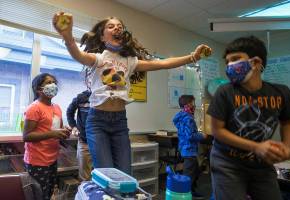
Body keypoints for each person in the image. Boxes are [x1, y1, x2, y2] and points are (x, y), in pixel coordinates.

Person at [52, 12, 212, 174]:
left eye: (120, 27)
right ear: (102, 37)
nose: (117, 28)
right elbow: (77, 54)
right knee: (106, 173)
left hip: (119, 122)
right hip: (97, 122)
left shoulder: (130, 61)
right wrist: (67, 36)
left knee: (124, 173)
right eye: (111, 26)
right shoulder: (98, 59)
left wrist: (193, 56)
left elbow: (163, 63)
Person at [207, 36, 290, 200]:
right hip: (227, 163)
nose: (229, 65)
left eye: (235, 59)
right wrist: (256, 147)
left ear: (256, 63)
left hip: (262, 165)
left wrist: (286, 146)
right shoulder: (224, 92)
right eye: (227, 61)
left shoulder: (281, 92)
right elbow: (217, 130)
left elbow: (288, 122)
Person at [23, 73, 71, 200]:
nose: (53, 85)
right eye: (49, 82)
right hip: (37, 161)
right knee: (38, 195)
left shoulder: (57, 108)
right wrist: (52, 134)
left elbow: (57, 131)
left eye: (54, 82)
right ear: (38, 89)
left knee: (48, 193)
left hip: (52, 158)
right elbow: (27, 136)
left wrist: (65, 132)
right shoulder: (34, 108)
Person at [173, 95, 208, 199]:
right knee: (189, 175)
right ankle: (185, 193)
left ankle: (191, 190)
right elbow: (191, 136)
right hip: (189, 150)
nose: (194, 105)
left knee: (195, 171)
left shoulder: (181, 116)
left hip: (185, 149)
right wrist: (202, 135)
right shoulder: (188, 118)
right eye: (193, 103)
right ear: (188, 104)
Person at [66, 89, 93, 181]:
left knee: (102, 174)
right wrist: (74, 127)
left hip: (104, 143)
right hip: (84, 141)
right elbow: (69, 112)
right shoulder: (81, 97)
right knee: (84, 176)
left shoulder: (108, 96)